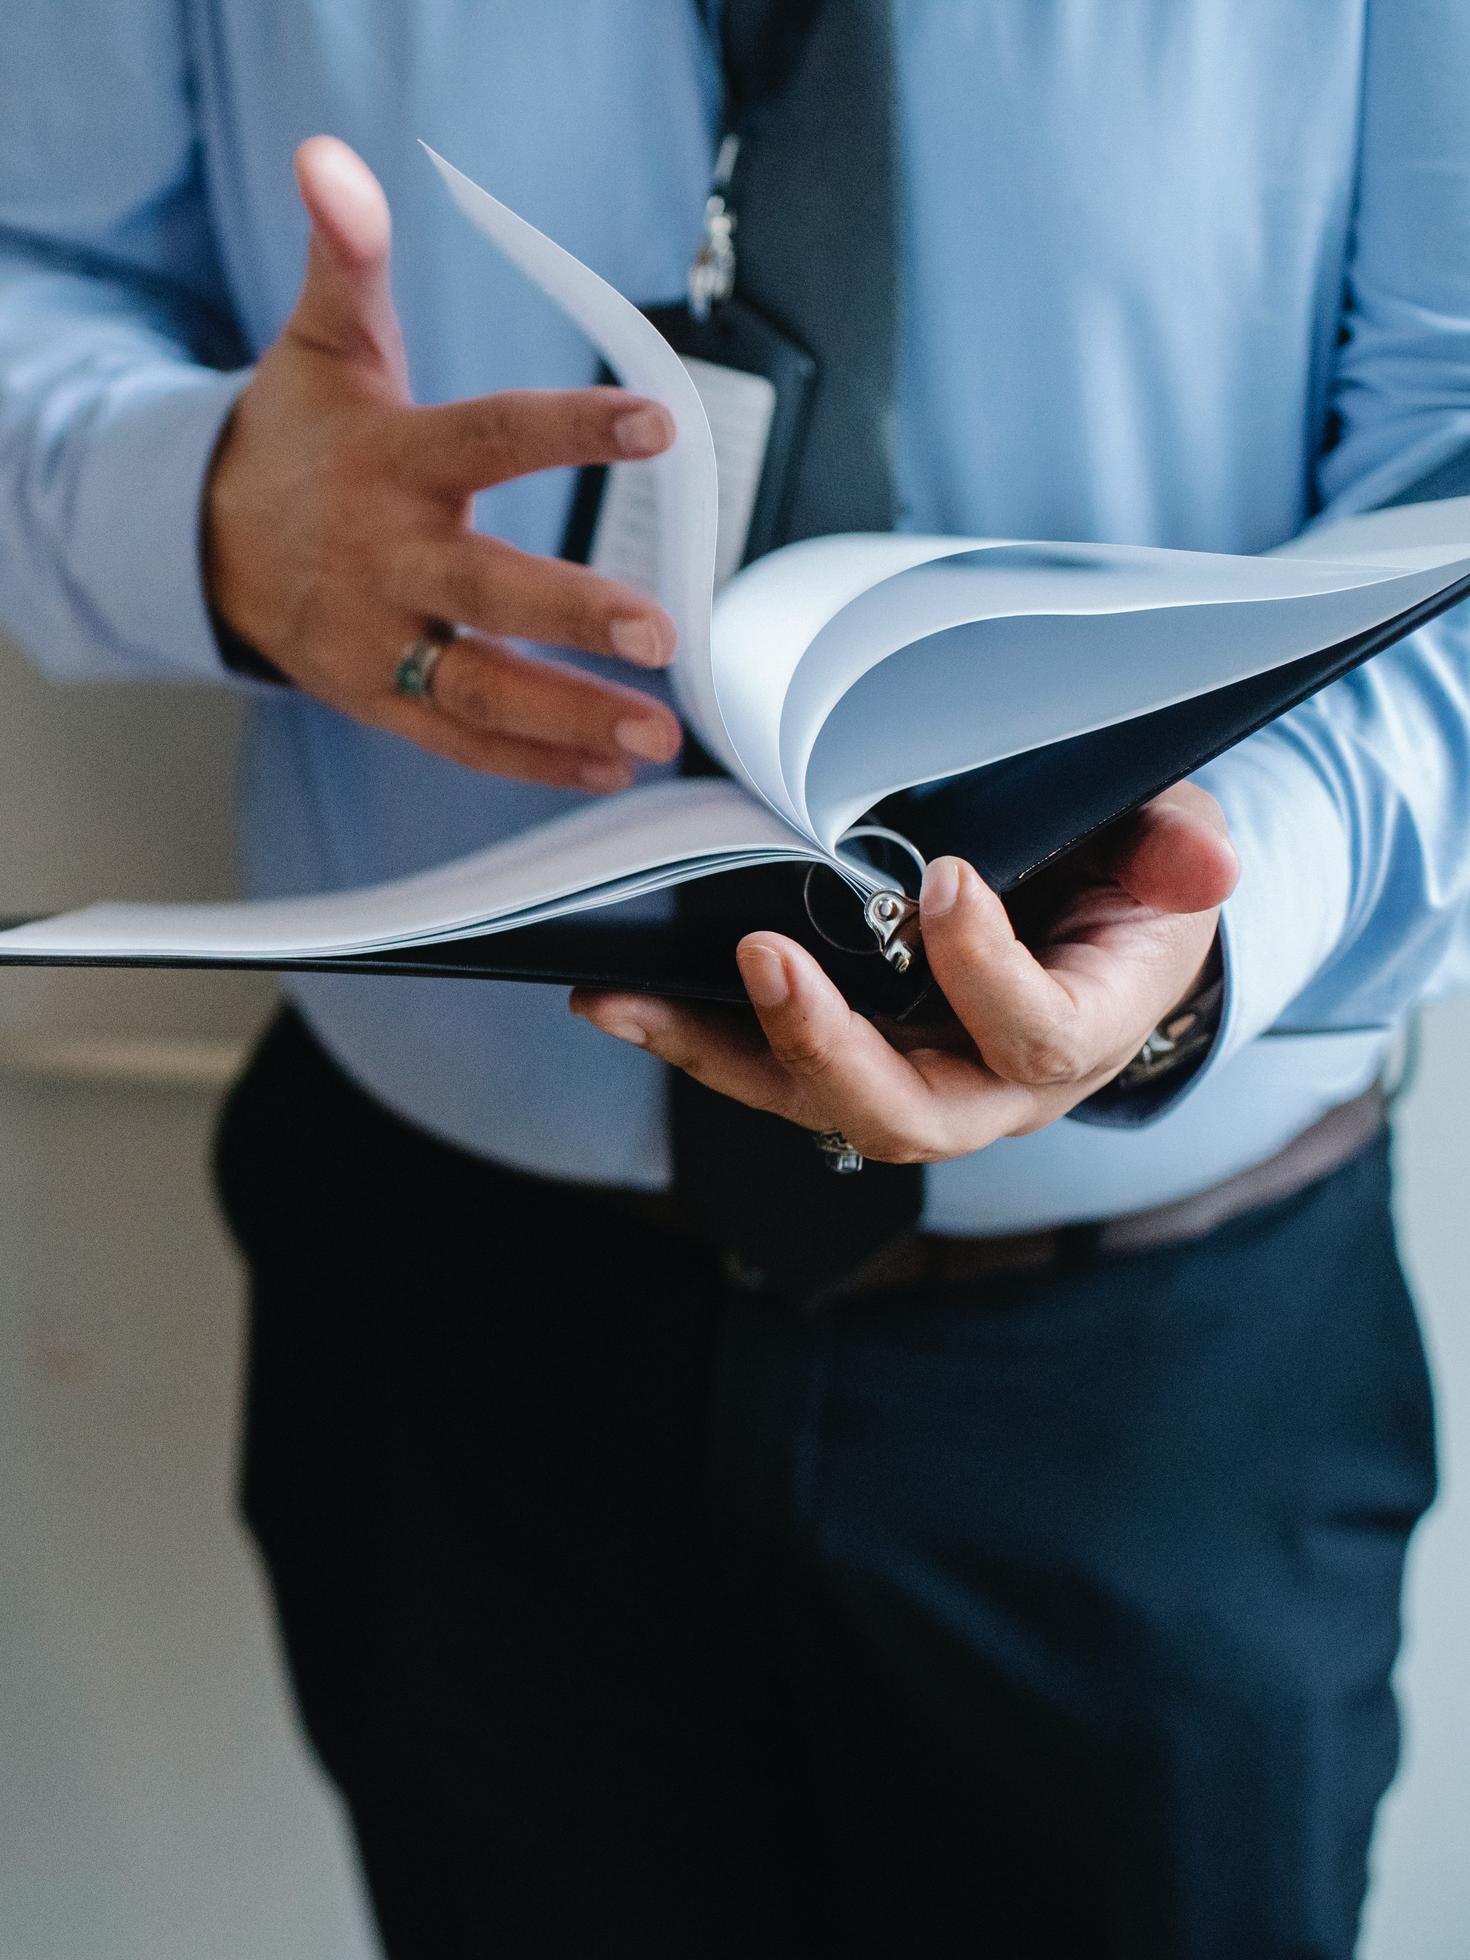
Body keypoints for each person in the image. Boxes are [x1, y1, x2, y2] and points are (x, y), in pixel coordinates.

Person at [0, 4, 1464, 1955]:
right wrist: (200, 510)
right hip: (456, 1338)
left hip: (1157, 1400)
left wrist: (1223, 894)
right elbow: (33, 262)